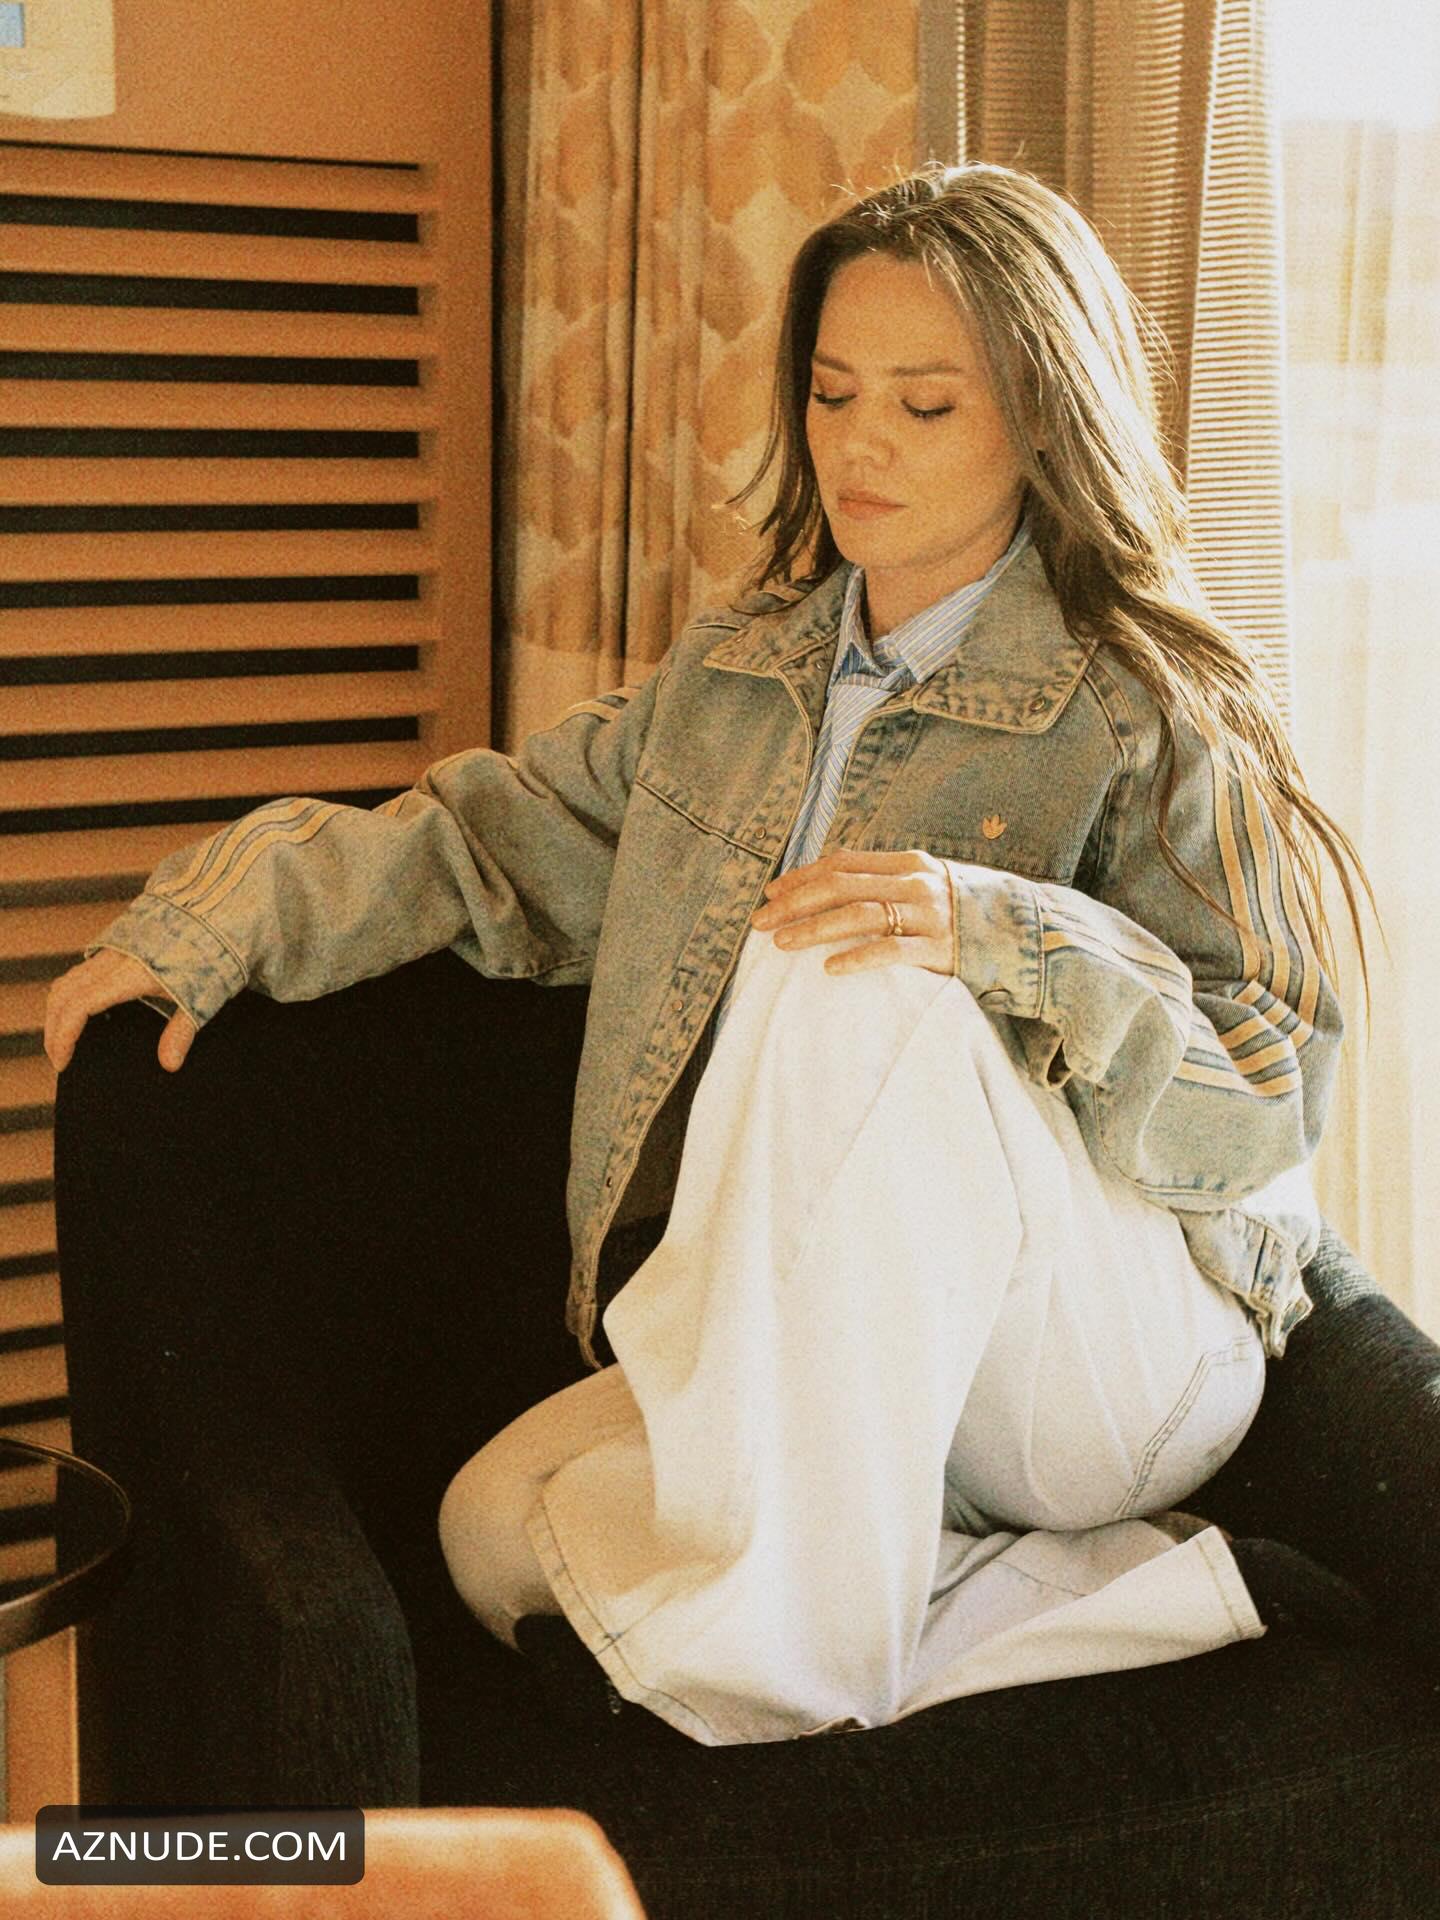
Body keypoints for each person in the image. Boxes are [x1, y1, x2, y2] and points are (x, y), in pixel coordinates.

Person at [45, 164, 1369, 1750]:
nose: (860, 444)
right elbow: (490, 835)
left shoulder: (1153, 704)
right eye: (832, 391)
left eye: (926, 404)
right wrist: (216, 918)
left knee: (846, 963)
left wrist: (1001, 936)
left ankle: (782, 1682)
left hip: (1089, 1376)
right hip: (823, 1362)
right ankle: (1135, 1602)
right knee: (485, 1535)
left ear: (1042, 417)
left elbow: (1267, 1094)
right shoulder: (736, 680)